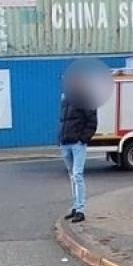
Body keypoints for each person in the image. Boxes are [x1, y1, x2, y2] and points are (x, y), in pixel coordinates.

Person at [58, 72, 98, 223]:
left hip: (77, 143)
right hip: (66, 142)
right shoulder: (65, 98)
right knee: (72, 176)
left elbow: (92, 121)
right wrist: (60, 139)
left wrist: (83, 139)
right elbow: (63, 121)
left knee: (77, 175)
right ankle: (75, 207)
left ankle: (80, 210)